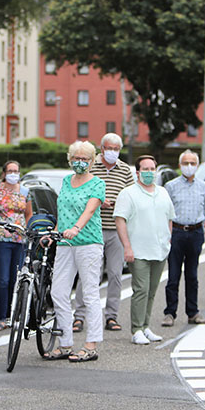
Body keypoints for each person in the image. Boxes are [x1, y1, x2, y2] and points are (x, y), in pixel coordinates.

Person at [46, 141, 105, 363]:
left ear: (92, 161)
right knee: (58, 292)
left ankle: (91, 344)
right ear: (70, 159)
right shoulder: (66, 181)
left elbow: (90, 209)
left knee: (89, 293)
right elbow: (62, 211)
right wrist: (53, 233)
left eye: (85, 159)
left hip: (88, 242)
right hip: (64, 243)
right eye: (76, 158)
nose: (80, 163)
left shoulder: (97, 183)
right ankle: (65, 343)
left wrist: (76, 228)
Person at [73, 132, 134, 334]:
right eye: (109, 148)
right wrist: (99, 202)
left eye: (116, 149)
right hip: (92, 229)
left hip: (116, 230)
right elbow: (81, 191)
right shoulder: (92, 167)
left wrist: (119, 205)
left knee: (116, 274)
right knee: (89, 274)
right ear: (101, 149)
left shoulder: (125, 170)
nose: (112, 152)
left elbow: (131, 197)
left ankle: (111, 316)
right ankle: (79, 316)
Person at [114, 155, 175, 345]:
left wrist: (167, 241)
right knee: (140, 289)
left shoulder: (163, 192)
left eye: (152, 169)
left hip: (160, 250)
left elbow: (169, 218)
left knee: (151, 290)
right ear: (138, 172)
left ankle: (146, 326)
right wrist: (127, 247)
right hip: (138, 250)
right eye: (145, 169)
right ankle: (137, 329)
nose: (149, 173)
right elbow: (120, 220)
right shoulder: (128, 193)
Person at [162, 150, 205, 326]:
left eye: (192, 163)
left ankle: (193, 312)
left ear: (197, 166)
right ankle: (170, 313)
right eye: (185, 163)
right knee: (173, 275)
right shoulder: (171, 186)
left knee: (192, 275)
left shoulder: (203, 186)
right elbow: (165, 212)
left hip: (196, 232)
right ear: (180, 164)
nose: (189, 166)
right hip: (177, 232)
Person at [0, 160, 33, 331]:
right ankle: (2, 316)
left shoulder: (26, 192)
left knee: (16, 278)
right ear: (4, 173)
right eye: (10, 170)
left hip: (19, 240)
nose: (13, 173)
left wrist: (29, 234)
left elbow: (29, 215)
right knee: (3, 279)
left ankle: (16, 314)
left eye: (16, 170)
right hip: (0, 238)